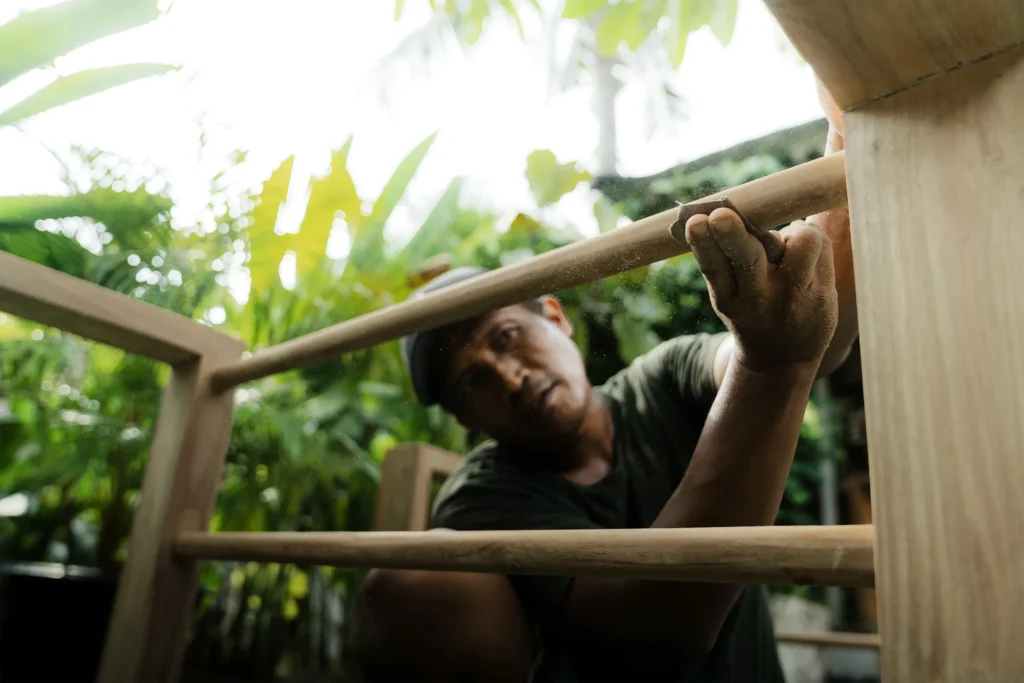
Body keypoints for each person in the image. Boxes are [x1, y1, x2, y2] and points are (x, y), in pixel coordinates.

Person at [352, 96, 855, 682]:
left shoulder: (662, 378)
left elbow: (824, 334)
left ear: (556, 316)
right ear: (465, 418)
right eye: (473, 381)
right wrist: (772, 362)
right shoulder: (481, 502)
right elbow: (661, 620)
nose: (511, 378)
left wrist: (847, 126)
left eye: (508, 336)